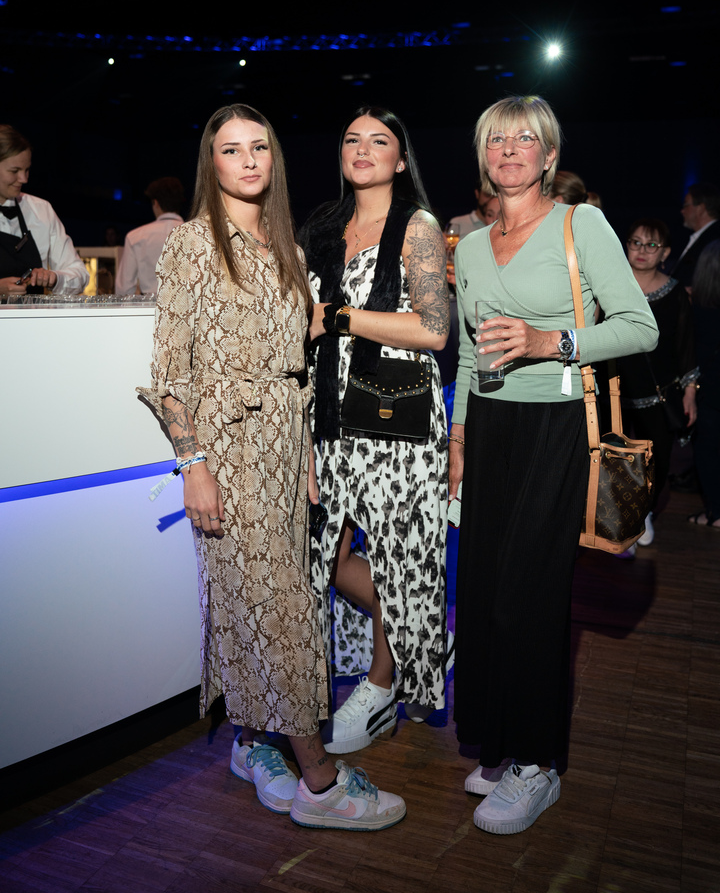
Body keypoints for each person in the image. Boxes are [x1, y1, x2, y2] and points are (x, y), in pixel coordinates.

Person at [138, 103, 405, 831]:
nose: (249, 160)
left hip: (286, 449)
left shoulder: (283, 241)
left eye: (259, 146)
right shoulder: (194, 243)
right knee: (280, 611)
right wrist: (194, 463)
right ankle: (320, 782)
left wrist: (307, 457)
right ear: (211, 162)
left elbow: (299, 365)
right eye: (231, 149)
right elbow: (169, 373)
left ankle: (253, 742)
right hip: (228, 450)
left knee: (256, 605)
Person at [449, 96, 658, 835]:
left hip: (557, 424)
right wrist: (460, 436)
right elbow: (469, 350)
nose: (509, 149)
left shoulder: (580, 225)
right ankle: (499, 742)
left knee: (528, 596)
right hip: (490, 428)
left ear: (549, 155)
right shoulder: (470, 247)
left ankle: (538, 764)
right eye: (496, 140)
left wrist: (550, 343)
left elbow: (640, 327)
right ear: (484, 156)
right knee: (482, 592)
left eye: (524, 139)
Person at [300, 105, 450, 751]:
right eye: (352, 139)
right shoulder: (322, 226)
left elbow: (434, 330)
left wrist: (338, 318)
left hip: (397, 419)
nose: (362, 149)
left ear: (400, 158)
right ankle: (421, 635)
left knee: (396, 554)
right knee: (325, 557)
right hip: (328, 416)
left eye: (379, 140)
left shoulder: (417, 226)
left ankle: (382, 684)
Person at [616, 219, 698, 547]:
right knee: (611, 455)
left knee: (657, 459)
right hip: (613, 389)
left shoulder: (675, 291)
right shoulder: (611, 283)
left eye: (651, 245)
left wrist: (690, 391)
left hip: (658, 391)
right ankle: (616, 515)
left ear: (664, 253)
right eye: (635, 242)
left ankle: (644, 513)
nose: (641, 251)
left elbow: (685, 345)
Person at [0, 124, 88, 296]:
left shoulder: (41, 210)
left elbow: (80, 274)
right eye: (15, 171)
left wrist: (54, 278)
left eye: (27, 170)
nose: (24, 179)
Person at [687, 241, 720, 528]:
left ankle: (716, 513)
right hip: (710, 388)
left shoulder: (699, 311)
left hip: (710, 389)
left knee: (709, 450)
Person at [115, 176, 185, 296]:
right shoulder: (200, 234)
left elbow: (124, 289)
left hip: (150, 305)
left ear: (155, 203)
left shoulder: (135, 237)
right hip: (189, 305)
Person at [672, 182, 720, 290]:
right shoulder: (701, 237)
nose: (682, 211)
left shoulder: (714, 241)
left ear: (700, 208)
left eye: (686, 205)